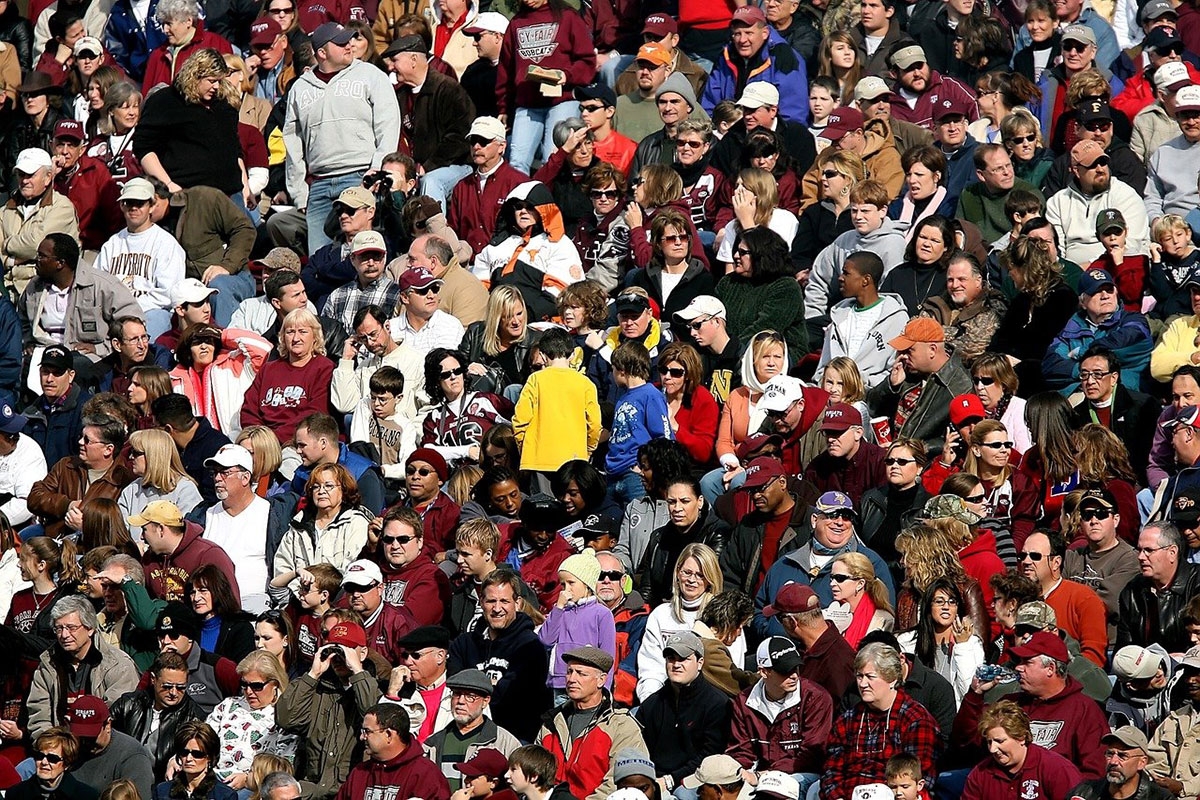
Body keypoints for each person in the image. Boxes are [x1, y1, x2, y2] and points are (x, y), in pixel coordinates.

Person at [282, 22, 398, 255]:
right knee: (319, 258)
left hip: (360, 175)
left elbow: (389, 123)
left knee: (361, 253)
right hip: (319, 183)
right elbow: (292, 141)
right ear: (322, 53)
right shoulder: (300, 88)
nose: (350, 45)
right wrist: (298, 192)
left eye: (350, 40)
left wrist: (377, 167)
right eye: (342, 42)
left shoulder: (371, 75)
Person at [274, 620, 380, 800]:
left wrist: (357, 670)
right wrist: (313, 674)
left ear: (362, 653)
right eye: (333, 651)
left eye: (344, 651)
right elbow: (285, 718)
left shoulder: (374, 687)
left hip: (352, 791)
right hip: (314, 789)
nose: (338, 659)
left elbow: (374, 715)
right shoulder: (316, 689)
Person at [820, 642, 940, 800]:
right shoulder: (847, 720)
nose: (862, 684)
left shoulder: (915, 720)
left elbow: (919, 778)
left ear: (891, 679)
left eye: (870, 677)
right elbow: (831, 772)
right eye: (859, 676)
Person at [447, 569, 553, 742]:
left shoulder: (530, 646)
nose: (497, 608)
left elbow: (513, 698)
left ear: (517, 603)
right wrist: (492, 686)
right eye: (491, 601)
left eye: (504, 601)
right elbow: (454, 687)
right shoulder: (464, 643)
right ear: (481, 602)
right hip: (467, 732)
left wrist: (474, 691)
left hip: (516, 738)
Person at [537, 646, 647, 800]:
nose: (572, 679)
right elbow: (533, 774)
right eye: (569, 672)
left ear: (601, 680)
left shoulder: (621, 726)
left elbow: (620, 783)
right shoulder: (551, 722)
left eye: (581, 673)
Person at [728, 634, 831, 795]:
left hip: (803, 774)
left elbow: (812, 754)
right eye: (785, 670)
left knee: (773, 792)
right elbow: (741, 751)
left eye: (796, 668)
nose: (794, 675)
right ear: (764, 672)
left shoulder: (815, 698)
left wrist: (765, 774)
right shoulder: (744, 702)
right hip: (757, 776)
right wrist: (741, 773)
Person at [27, 595, 139, 738]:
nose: (64, 635)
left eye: (71, 628)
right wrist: (53, 747)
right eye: (59, 628)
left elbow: (115, 716)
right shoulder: (48, 664)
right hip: (58, 748)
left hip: (100, 746)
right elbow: (39, 715)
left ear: (90, 629)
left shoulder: (118, 665)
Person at [867, 318, 973, 453]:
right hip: (888, 456)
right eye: (901, 351)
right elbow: (871, 407)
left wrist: (914, 449)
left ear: (932, 350)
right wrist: (891, 386)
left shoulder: (960, 386)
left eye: (909, 351)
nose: (903, 356)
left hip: (923, 465)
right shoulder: (905, 371)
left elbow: (960, 438)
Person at [240, 308, 334, 446]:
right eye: (290, 332)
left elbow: (315, 414)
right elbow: (249, 410)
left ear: (314, 336)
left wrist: (273, 440)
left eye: (303, 332)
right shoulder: (268, 369)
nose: (296, 338)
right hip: (261, 442)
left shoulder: (324, 368)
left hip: (300, 442)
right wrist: (259, 438)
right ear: (283, 336)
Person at [204, 651, 297, 789]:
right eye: (244, 684)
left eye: (257, 686)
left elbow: (284, 765)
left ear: (275, 684)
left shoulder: (284, 715)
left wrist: (249, 779)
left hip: (255, 787)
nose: (248, 691)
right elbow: (202, 739)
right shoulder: (228, 705)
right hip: (212, 778)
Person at [700, 6, 807, 123]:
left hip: (769, 133)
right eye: (737, 34)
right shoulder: (725, 57)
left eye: (749, 33)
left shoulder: (783, 56)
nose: (742, 40)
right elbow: (709, 103)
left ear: (765, 33)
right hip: (728, 130)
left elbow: (793, 110)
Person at [960, 700, 1083, 800]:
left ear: (1021, 738)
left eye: (1000, 741)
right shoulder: (980, 774)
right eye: (989, 742)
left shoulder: (1058, 770)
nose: (993, 749)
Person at [110, 651, 205, 780]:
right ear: (153, 679)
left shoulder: (194, 717)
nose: (173, 692)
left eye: (181, 687)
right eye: (167, 686)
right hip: (122, 777)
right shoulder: (128, 704)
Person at [1117, 521, 1200, 652]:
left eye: (1149, 550)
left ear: (1172, 552)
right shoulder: (1133, 591)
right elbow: (1123, 651)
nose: (1141, 557)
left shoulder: (1197, 584)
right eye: (1139, 550)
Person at [7, 727, 96, 800]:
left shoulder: (87, 796)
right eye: (39, 756)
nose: (44, 762)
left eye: (52, 758)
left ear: (67, 763)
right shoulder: (16, 794)